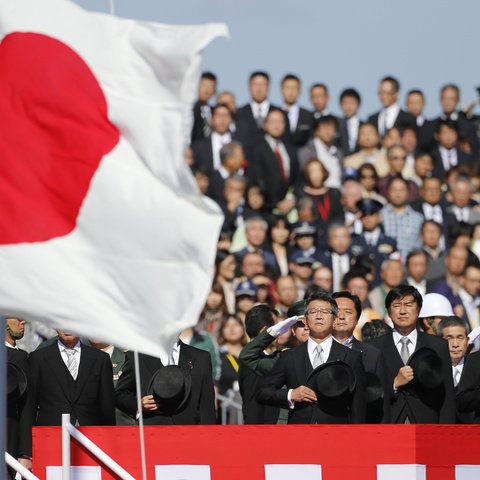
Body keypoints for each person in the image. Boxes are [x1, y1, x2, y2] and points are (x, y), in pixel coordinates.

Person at [256, 291, 366, 424]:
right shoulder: (289, 356)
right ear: (306, 321)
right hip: (299, 431)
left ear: (334, 320)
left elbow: (358, 405)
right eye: (313, 312)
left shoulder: (351, 356)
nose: (319, 316)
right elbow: (262, 392)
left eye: (325, 312)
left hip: (336, 432)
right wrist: (291, 394)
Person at [366, 285, 455, 423]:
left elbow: (446, 395)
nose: (402, 311)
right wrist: (394, 384)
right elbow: (368, 392)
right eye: (396, 305)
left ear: (418, 310)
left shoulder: (438, 346)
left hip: (427, 423)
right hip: (389, 423)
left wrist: (445, 431)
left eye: (408, 305)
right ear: (388, 312)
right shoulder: (373, 347)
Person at [115, 337, 216, 425]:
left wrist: (208, 436)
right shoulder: (137, 356)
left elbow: (207, 407)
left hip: (189, 433)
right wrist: (138, 405)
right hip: (151, 432)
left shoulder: (201, 358)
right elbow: (120, 394)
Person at [29, 330, 115, 426]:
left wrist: (109, 434)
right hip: (51, 430)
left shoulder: (101, 359)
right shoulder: (38, 358)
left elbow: (107, 406)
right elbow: (30, 404)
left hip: (90, 431)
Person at [332, 291, 389, 423]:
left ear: (357, 319)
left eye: (348, 312)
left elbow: (381, 401)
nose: (341, 316)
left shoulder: (373, 354)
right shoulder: (317, 350)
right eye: (336, 311)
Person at [247, 108, 299, 214]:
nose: (276, 125)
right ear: (265, 124)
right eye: (273, 121)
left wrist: (291, 199)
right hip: (265, 208)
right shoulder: (256, 148)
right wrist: (274, 204)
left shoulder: (290, 149)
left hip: (288, 206)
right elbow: (256, 179)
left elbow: (296, 179)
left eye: (280, 121)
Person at [238, 304, 279, 424]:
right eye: (276, 327)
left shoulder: (261, 356)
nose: (279, 332)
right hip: (260, 427)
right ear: (265, 331)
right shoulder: (252, 359)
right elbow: (253, 403)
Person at [5, 315, 32, 475]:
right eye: (17, 318)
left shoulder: (21, 356)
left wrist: (25, 452)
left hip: (10, 440)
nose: (23, 322)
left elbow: (27, 405)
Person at [350, 198, 397, 287]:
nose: (368, 219)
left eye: (371, 214)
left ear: (379, 217)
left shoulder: (390, 242)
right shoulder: (352, 240)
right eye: (364, 215)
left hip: (382, 287)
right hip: (360, 288)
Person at [437, 316, 473, 423]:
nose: (455, 344)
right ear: (439, 341)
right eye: (449, 338)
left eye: (460, 338)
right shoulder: (432, 370)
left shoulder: (476, 369)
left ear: (467, 341)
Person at [381, 175, 424, 261]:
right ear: (388, 192)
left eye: (402, 190)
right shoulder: (380, 216)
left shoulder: (418, 219)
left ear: (408, 192)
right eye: (394, 190)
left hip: (409, 266)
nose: (398, 194)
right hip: (386, 265)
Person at [298, 115, 342, 188]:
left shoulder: (338, 152)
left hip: (336, 191)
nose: (328, 131)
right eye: (324, 128)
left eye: (331, 128)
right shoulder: (306, 151)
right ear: (316, 131)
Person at [280, 73, 313, 147]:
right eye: (287, 88)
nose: (291, 92)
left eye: (294, 88)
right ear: (281, 90)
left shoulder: (309, 116)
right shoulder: (274, 114)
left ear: (299, 91)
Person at [191, 71, 217, 143]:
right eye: (203, 85)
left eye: (210, 87)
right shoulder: (190, 109)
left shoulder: (216, 111)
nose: (206, 90)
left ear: (215, 90)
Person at [337, 88, 362, 156]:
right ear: (340, 105)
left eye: (352, 103)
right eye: (345, 103)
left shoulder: (365, 126)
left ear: (358, 104)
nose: (348, 106)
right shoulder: (336, 125)